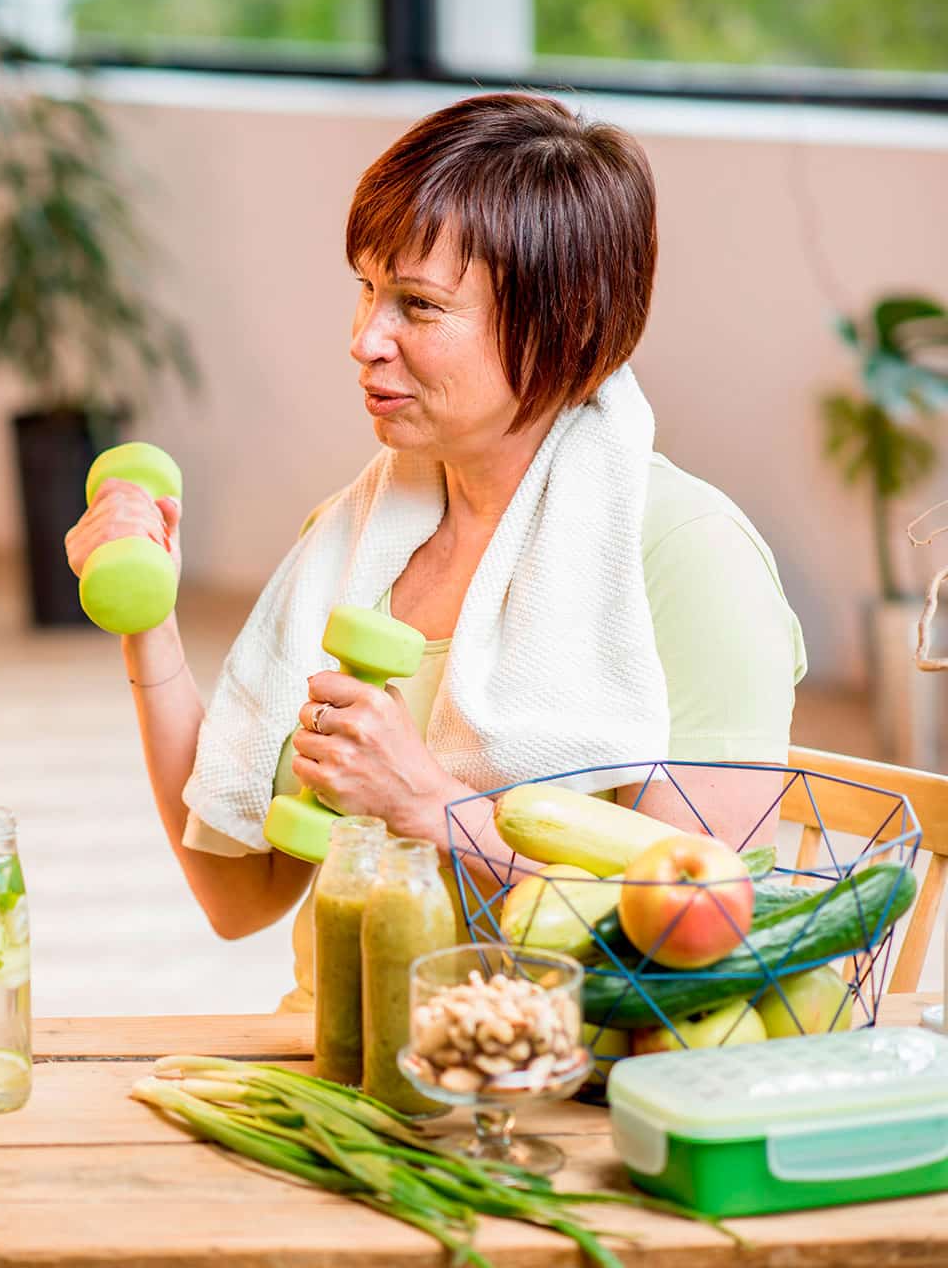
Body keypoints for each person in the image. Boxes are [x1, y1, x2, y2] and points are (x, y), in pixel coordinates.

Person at [64, 92, 804, 1012]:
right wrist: (150, 621)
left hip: (545, 1070)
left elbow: (694, 949)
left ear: (568, 326)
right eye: (367, 289)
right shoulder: (354, 545)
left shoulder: (692, 560)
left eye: (418, 305)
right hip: (334, 1048)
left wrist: (427, 808)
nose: (364, 339)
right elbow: (236, 896)